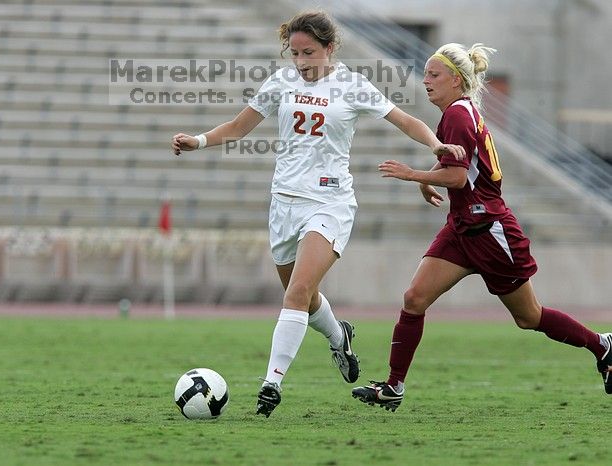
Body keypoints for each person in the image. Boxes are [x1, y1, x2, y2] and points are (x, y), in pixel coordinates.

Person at [171, 11, 465, 418]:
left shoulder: (352, 85)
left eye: (309, 52)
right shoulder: (282, 82)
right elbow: (238, 128)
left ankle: (271, 384)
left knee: (296, 293)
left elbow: (407, 120)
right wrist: (198, 141)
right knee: (302, 297)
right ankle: (338, 336)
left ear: (330, 48)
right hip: (283, 204)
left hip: (329, 203)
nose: (302, 62)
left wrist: (436, 146)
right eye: (295, 53)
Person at [351, 43, 612, 412]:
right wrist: (430, 178)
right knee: (414, 299)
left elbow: (458, 179)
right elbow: (457, 165)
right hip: (462, 227)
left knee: (529, 317)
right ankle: (394, 386)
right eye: (425, 74)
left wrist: (413, 175)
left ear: (456, 80)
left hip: (489, 229)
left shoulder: (457, 115)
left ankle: (602, 345)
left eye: (433, 75)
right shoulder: (457, 113)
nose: (426, 82)